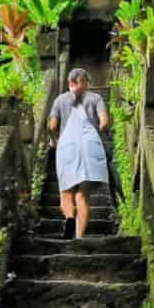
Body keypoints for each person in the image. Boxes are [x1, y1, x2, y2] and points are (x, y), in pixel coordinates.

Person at [49, 67, 110, 240]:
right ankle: (79, 237)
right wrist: (102, 131)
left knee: (66, 193)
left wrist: (53, 140)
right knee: (82, 195)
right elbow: (104, 122)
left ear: (70, 83)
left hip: (67, 146)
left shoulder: (60, 100)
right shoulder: (96, 98)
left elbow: (52, 126)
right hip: (90, 144)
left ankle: (69, 217)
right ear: (86, 83)